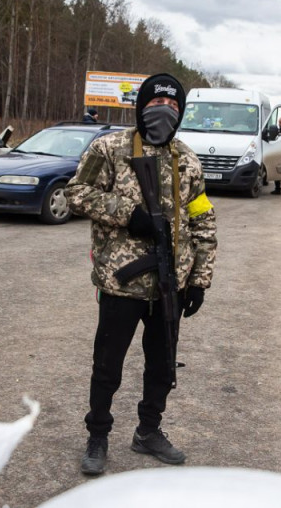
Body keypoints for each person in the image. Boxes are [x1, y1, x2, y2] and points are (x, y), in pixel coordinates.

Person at [66, 73, 218, 475]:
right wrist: (128, 216)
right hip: (122, 282)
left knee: (162, 366)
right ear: (140, 108)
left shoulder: (187, 159)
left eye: (172, 107)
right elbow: (76, 192)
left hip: (172, 285)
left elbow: (203, 220)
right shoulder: (110, 148)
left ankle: (148, 432)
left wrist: (199, 279)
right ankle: (98, 434)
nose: (163, 113)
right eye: (155, 105)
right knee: (107, 366)